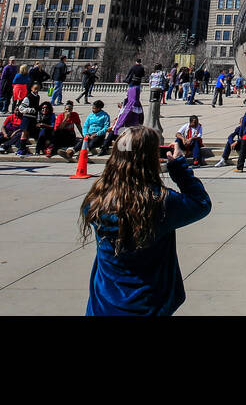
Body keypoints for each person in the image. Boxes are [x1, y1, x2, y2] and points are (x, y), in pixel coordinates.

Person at [80, 126, 211, 316]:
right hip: (147, 304)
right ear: (151, 159)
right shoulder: (160, 202)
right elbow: (201, 203)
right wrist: (179, 166)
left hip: (104, 304)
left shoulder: (96, 200)